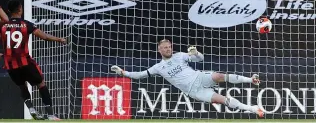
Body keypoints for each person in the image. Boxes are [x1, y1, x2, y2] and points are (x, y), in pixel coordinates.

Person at [111, 39, 264, 117]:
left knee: (219, 76)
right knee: (222, 100)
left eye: (169, 46)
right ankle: (252, 108)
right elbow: (140, 75)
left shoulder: (180, 56)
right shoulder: (158, 67)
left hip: (198, 77)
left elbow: (200, 59)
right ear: (159, 50)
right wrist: (124, 73)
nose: (168, 48)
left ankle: (250, 80)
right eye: (165, 47)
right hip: (193, 91)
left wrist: (196, 53)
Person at [0, 0, 66, 120]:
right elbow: (44, 37)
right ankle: (50, 114)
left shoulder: (2, 25)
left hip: (10, 64)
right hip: (25, 61)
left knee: (22, 85)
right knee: (41, 83)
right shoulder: (26, 25)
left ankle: (31, 108)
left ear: (9, 11)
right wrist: (59, 39)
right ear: (20, 9)